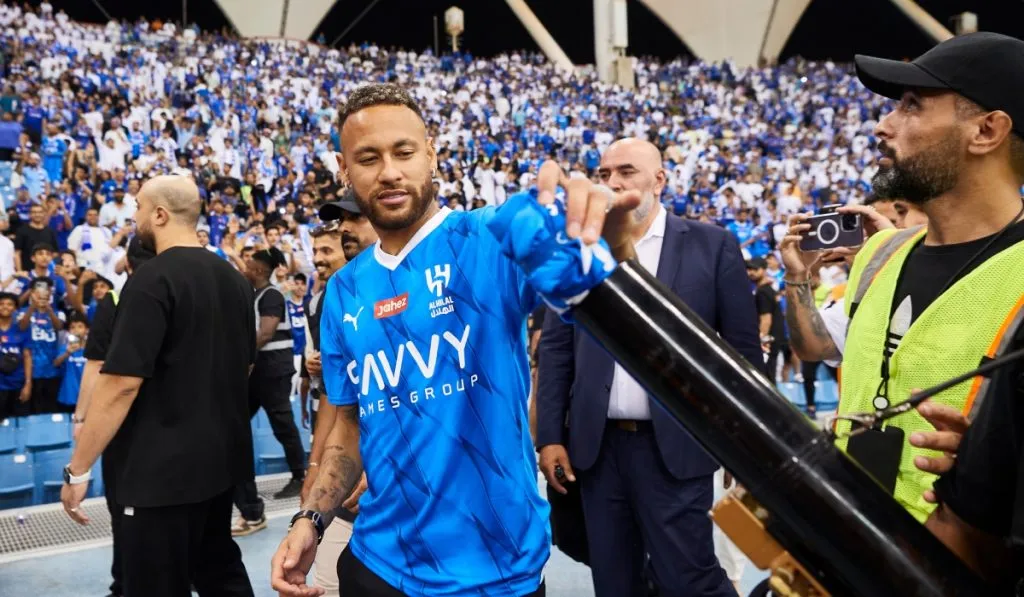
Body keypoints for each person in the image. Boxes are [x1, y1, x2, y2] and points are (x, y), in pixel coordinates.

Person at [271, 83, 640, 597]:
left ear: (432, 154)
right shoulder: (343, 292)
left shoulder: (491, 237)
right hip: (378, 564)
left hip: (496, 569)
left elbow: (613, 313)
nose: (390, 172)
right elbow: (349, 429)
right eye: (368, 157)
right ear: (344, 167)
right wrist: (311, 519)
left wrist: (614, 247)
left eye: (404, 152)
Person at [794, 32, 1024, 525]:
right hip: (847, 537)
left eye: (913, 106)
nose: (883, 125)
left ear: (986, 131)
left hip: (956, 563)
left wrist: (1002, 471)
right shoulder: (879, 252)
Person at [536, 138, 760, 597]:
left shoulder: (711, 245)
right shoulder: (581, 252)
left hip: (676, 448)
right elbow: (558, 349)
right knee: (614, 581)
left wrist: (745, 442)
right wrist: (551, 437)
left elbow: (742, 352)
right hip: (598, 452)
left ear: (659, 180)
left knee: (690, 579)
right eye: (604, 174)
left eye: (626, 172)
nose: (613, 183)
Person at [60, 175, 257, 597]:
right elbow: (245, 369)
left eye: (137, 208)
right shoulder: (236, 281)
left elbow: (120, 385)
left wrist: (78, 468)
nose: (133, 217)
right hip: (219, 467)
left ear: (160, 215)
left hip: (159, 477)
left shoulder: (150, 281)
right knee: (220, 575)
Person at [297, 196, 378, 597]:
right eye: (340, 221)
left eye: (355, 218)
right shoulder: (336, 298)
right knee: (330, 580)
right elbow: (341, 408)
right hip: (355, 474)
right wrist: (317, 475)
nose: (346, 229)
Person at [72, 236, 154, 597]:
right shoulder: (186, 292)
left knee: (124, 511)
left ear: (129, 264)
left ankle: (125, 584)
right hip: (178, 424)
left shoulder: (118, 300)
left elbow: (97, 367)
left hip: (126, 425)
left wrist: (82, 419)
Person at [233, 245, 307, 537]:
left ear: (261, 271)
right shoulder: (254, 295)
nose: (245, 270)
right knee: (237, 420)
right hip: (257, 370)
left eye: (250, 266)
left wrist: (239, 356)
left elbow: (265, 332)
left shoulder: (272, 295)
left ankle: (300, 475)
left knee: (282, 422)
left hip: (273, 368)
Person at [0, 291, 31, 420]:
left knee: (20, 424)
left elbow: (27, 357)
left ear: (15, 308)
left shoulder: (22, 329)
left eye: (9, 304)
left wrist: (28, 384)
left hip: (17, 384)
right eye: (1, 304)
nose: (5, 307)